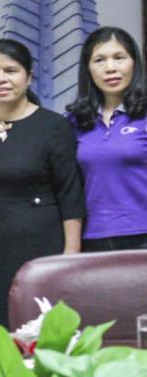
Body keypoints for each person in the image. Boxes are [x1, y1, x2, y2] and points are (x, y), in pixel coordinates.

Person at [0, 39, 85, 326]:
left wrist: (70, 254)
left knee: (40, 326)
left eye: (11, 70)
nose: (1, 79)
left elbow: (70, 192)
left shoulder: (52, 125)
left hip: (41, 241)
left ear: (29, 76)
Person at [66, 27, 147, 251]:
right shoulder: (74, 121)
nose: (110, 68)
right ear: (88, 69)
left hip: (142, 235)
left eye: (119, 58)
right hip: (93, 238)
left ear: (134, 63)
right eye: (99, 60)